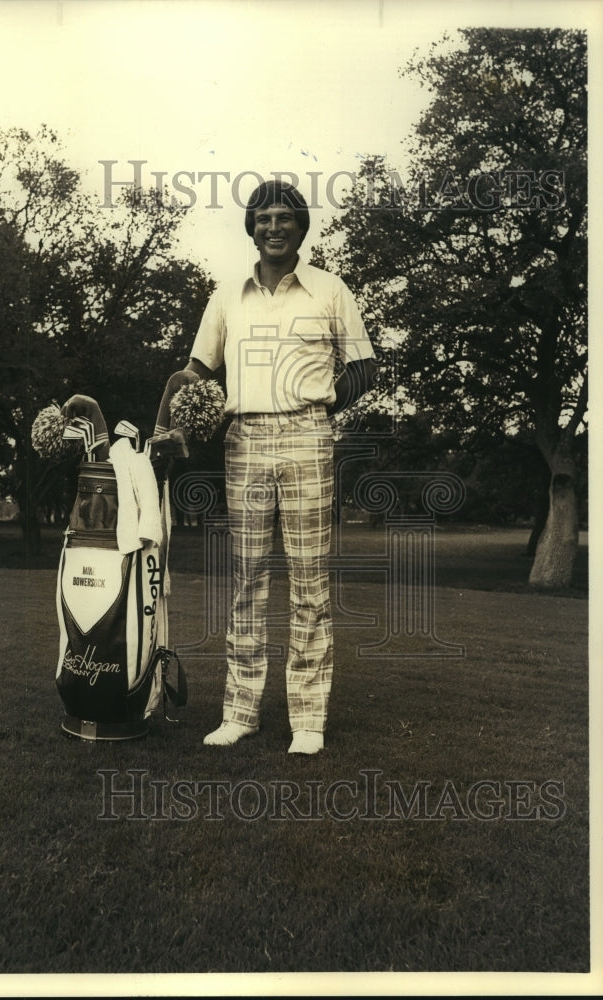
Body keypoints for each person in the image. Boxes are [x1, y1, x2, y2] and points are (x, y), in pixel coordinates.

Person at [162, 180, 375, 754]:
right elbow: (197, 372)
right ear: (251, 228)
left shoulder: (330, 289)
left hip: (308, 435)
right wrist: (179, 419)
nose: (273, 227)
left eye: (285, 218)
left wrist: (322, 403)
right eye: (263, 218)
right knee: (247, 581)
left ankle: (307, 721)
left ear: (301, 228)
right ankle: (240, 713)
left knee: (310, 583)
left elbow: (364, 366)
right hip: (244, 438)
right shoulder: (227, 294)